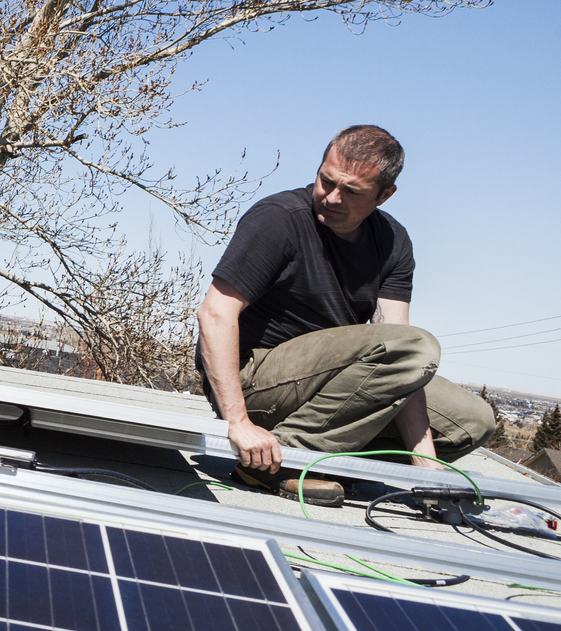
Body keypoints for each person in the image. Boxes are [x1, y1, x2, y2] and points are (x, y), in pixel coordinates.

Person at [195, 125, 495, 506]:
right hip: (255, 380)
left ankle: (328, 459)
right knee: (417, 345)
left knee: (471, 423)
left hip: (334, 386)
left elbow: (408, 362)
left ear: (385, 195)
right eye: (326, 180)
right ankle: (282, 460)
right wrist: (237, 422)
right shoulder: (280, 218)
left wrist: (426, 468)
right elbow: (215, 313)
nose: (332, 197)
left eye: (352, 192)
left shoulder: (392, 242)